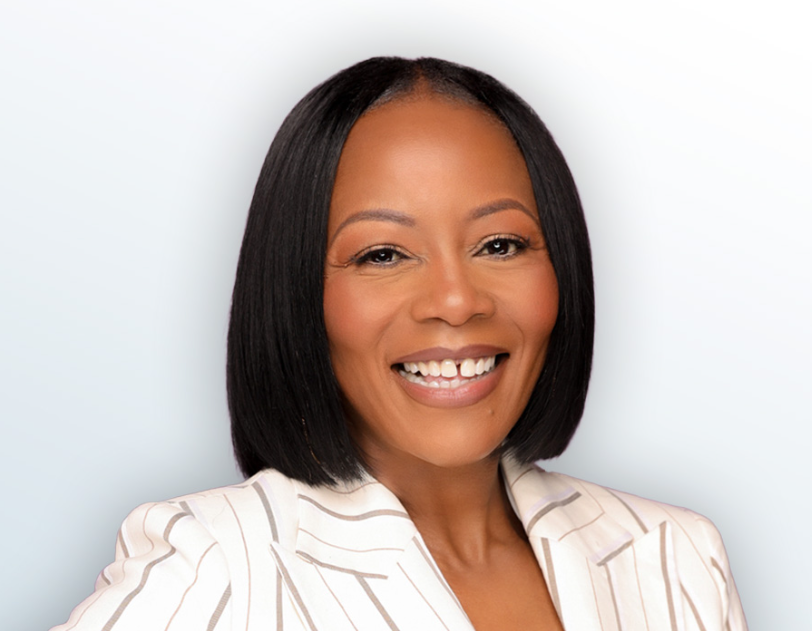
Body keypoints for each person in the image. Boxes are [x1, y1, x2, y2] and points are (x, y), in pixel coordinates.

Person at [52, 57, 747, 630]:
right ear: (297, 293)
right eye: (383, 254)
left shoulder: (676, 557)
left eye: (500, 244)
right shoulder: (221, 562)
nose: (455, 299)